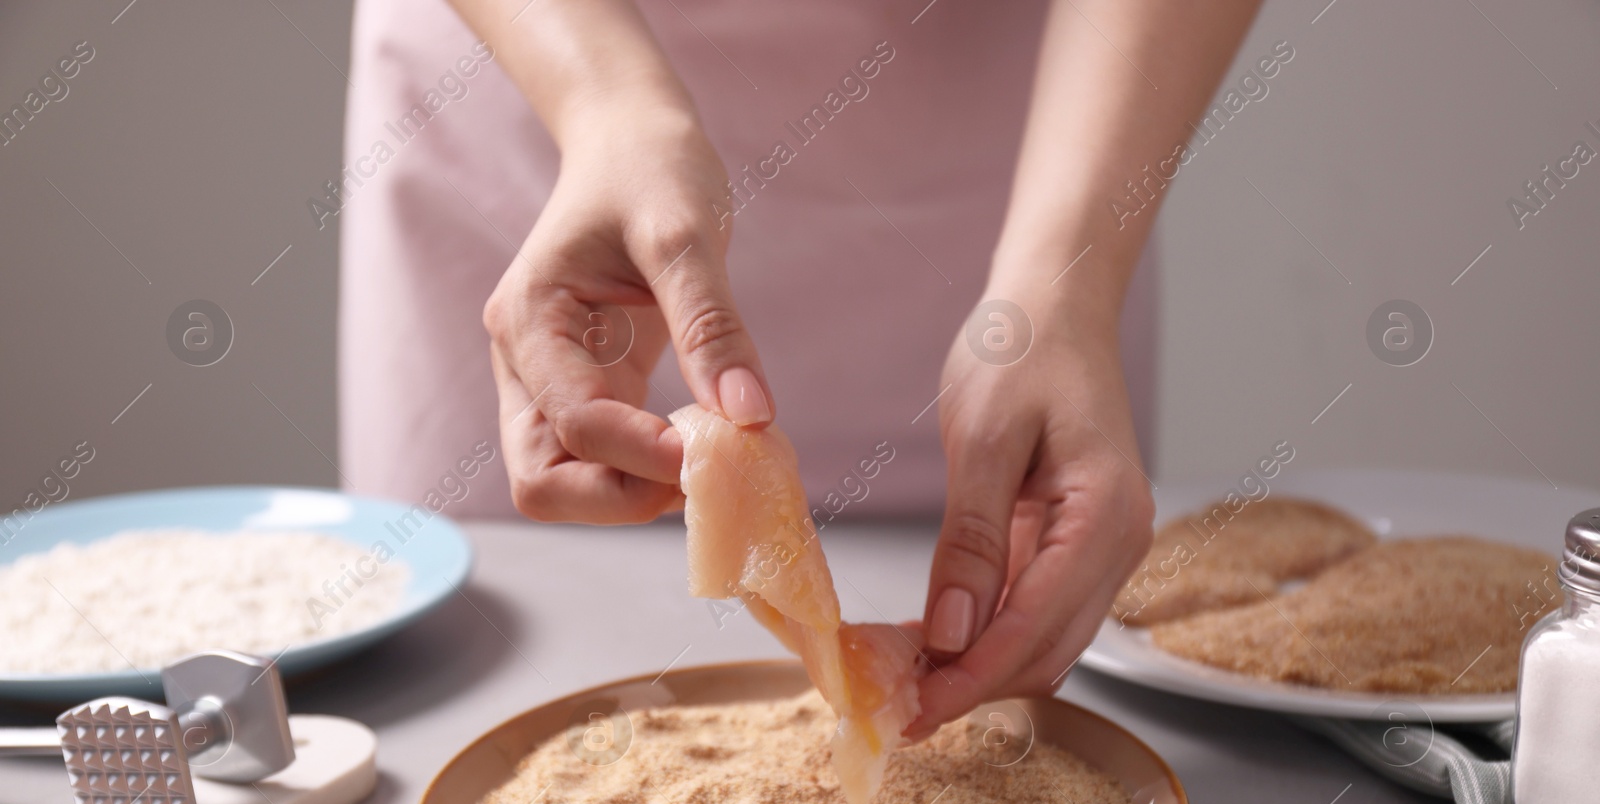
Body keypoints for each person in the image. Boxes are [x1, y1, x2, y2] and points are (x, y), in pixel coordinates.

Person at [338, 0, 1262, 737]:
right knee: (458, 702)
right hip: (539, 102)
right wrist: (606, 105)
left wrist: (1063, 279)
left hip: (1030, 152)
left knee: (1024, 611)